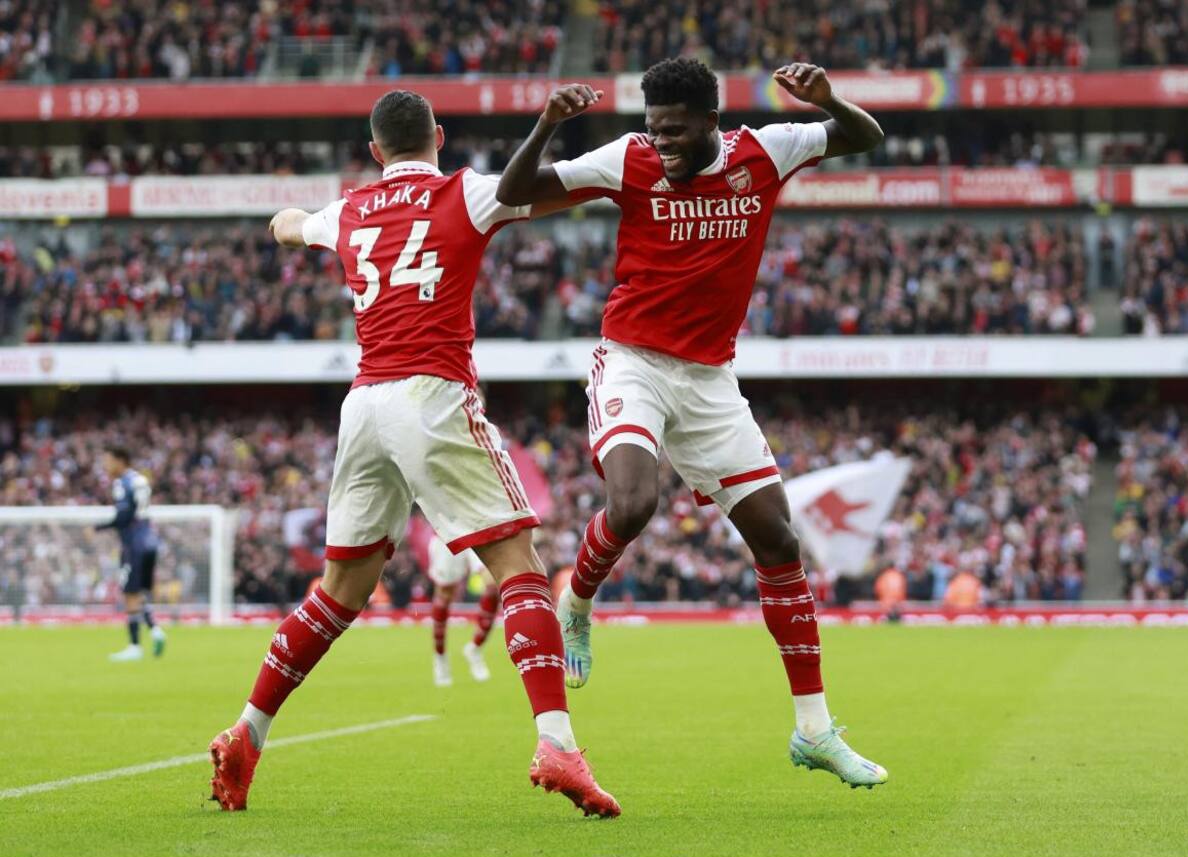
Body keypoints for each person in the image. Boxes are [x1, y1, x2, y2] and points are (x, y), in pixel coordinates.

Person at [207, 90, 619, 817]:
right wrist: (562, 134)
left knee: (339, 592)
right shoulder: (468, 192)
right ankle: (556, 740)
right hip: (432, 394)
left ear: (374, 151)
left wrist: (293, 224)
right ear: (438, 135)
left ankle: (248, 730)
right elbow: (553, 185)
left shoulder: (348, 210)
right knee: (521, 570)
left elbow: (286, 225)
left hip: (364, 406)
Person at [497, 58, 889, 788]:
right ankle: (576, 598)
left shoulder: (764, 151)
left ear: (712, 121)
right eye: (654, 129)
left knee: (777, 535)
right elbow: (517, 192)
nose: (661, 143)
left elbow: (865, 137)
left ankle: (813, 730)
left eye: (675, 131)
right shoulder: (629, 160)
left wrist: (829, 99)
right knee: (635, 502)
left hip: (710, 379)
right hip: (634, 361)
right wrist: (548, 124)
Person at [98, 445, 166, 661]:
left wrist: (98, 527)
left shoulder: (122, 483)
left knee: (129, 593)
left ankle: (135, 646)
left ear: (120, 460)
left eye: (108, 461)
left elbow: (124, 516)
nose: (105, 466)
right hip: (150, 540)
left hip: (134, 544)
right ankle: (155, 630)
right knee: (139, 592)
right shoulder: (141, 479)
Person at [427, 534, 498, 686]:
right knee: (444, 596)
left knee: (492, 586)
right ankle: (440, 657)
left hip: (476, 530)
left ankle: (475, 648)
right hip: (447, 532)